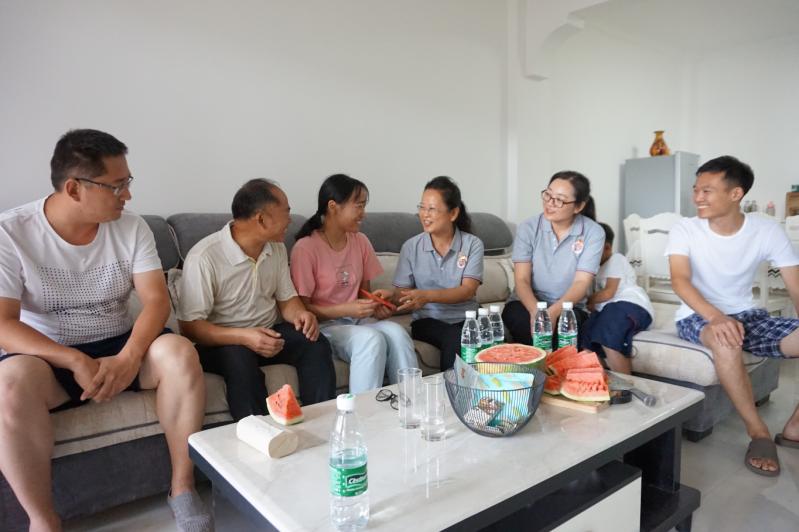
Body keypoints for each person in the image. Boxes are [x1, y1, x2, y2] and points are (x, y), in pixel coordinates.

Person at [0, 129, 211, 532]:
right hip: (47, 352)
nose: (127, 195)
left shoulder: (132, 228)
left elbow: (156, 301)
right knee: (8, 384)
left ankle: (182, 488)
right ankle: (43, 520)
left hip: (119, 340)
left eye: (127, 182)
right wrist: (72, 359)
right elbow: (3, 323)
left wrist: (130, 357)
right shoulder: (10, 233)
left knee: (180, 352)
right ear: (74, 188)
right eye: (116, 186)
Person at [666, 155, 799, 477]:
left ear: (735, 194)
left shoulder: (766, 230)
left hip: (748, 314)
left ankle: (795, 427)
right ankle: (759, 433)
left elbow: (795, 285)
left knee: (732, 329)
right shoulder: (685, 229)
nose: (697, 197)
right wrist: (717, 317)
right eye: (696, 189)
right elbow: (680, 280)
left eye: (707, 191)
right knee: (725, 338)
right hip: (697, 314)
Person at [178, 179, 336, 421]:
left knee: (314, 342)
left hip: (268, 333)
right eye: (286, 212)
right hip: (222, 342)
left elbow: (287, 300)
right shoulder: (205, 257)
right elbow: (190, 327)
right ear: (261, 219)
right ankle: (258, 435)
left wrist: (301, 314)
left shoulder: (276, 248)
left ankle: (323, 424)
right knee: (239, 360)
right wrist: (244, 336)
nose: (290, 220)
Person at [290, 174, 418, 394]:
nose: (363, 214)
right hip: (325, 327)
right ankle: (362, 412)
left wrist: (375, 305)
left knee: (397, 333)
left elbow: (363, 293)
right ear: (333, 207)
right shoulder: (305, 248)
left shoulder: (361, 241)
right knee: (371, 339)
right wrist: (346, 309)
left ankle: (412, 401)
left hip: (358, 321)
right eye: (358, 206)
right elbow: (303, 310)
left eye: (364, 206)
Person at [502, 171, 604, 348]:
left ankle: (557, 366)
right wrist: (537, 312)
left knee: (565, 331)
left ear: (578, 206)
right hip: (526, 304)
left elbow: (581, 282)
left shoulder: (593, 233)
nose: (550, 203)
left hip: (569, 307)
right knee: (523, 323)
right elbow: (521, 279)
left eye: (560, 200)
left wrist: (553, 312)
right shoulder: (528, 228)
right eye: (548, 195)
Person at [391, 176, 484, 370]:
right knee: (455, 338)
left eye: (432, 209)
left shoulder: (472, 244)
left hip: (468, 317)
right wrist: (390, 296)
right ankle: (451, 389)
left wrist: (427, 296)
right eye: (422, 207)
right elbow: (401, 294)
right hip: (427, 321)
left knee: (491, 339)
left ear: (453, 213)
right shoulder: (411, 247)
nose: (424, 215)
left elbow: (468, 290)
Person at [581, 223, 653, 374]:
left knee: (610, 328)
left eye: (592, 249)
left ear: (607, 248)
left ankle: (625, 384)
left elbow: (609, 293)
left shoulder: (616, 259)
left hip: (630, 304)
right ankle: (597, 381)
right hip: (608, 309)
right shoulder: (596, 267)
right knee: (586, 334)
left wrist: (590, 300)